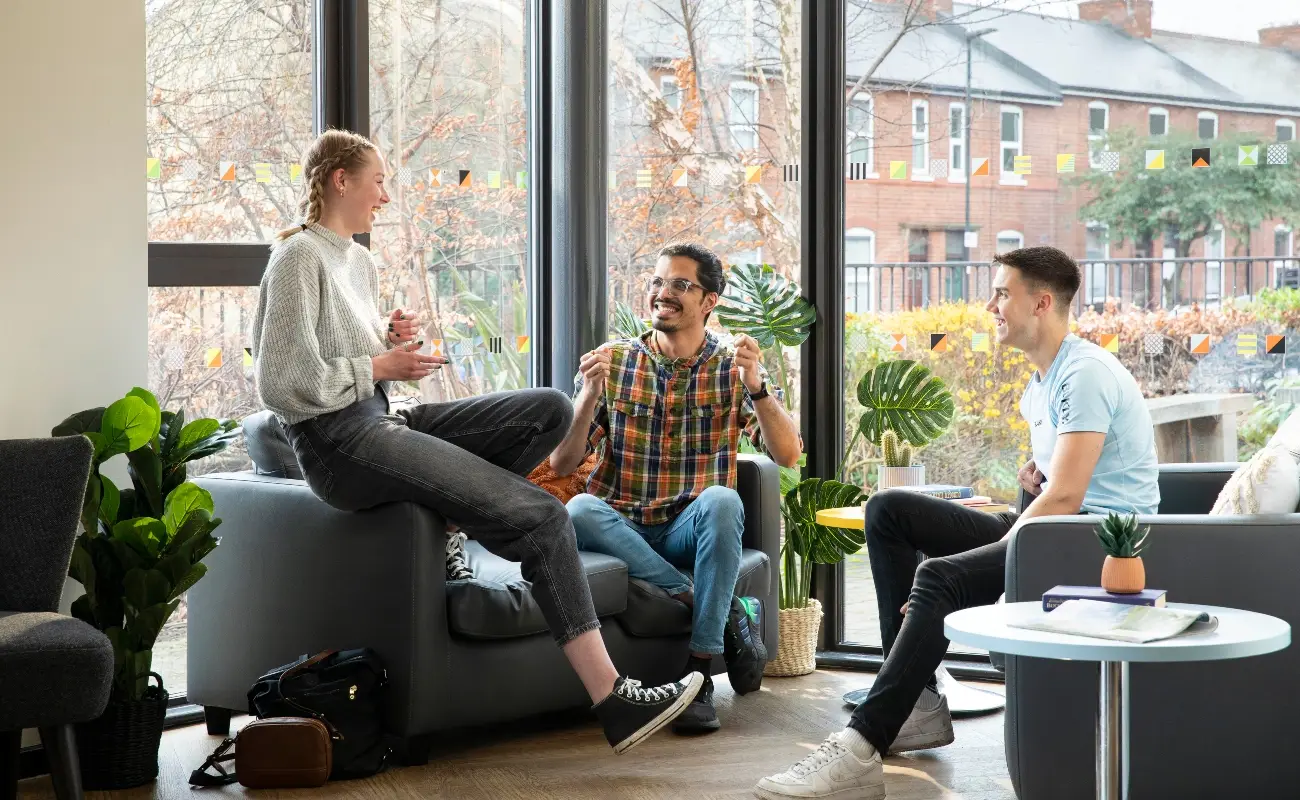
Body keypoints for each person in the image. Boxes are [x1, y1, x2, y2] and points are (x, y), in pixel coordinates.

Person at [250, 129, 703, 756]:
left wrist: (387, 339)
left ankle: (462, 522)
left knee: (545, 408)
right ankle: (612, 699)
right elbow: (280, 381)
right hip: (336, 443)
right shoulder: (298, 256)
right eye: (377, 180)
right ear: (340, 181)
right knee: (543, 515)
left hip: (383, 420)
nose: (385, 195)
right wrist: (379, 367)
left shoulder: (358, 259)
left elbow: (342, 350)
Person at [754, 246, 1160, 799]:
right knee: (889, 510)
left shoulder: (1083, 374)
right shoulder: (1042, 383)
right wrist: (1027, 482)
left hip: (1097, 546)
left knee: (939, 576)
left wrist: (991, 546)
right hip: (1055, 529)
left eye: (1001, 293)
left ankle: (862, 745)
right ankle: (917, 705)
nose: (990, 305)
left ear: (1041, 303)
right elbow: (1056, 483)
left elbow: (1066, 499)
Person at [550, 243, 804, 733]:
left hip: (689, 526)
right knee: (580, 507)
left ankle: (699, 674)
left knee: (724, 500)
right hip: (622, 521)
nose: (662, 293)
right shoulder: (618, 361)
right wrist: (588, 396)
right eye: (657, 282)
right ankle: (716, 603)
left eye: (680, 285)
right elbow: (563, 463)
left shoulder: (732, 367)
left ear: (709, 301)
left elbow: (788, 455)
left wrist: (757, 386)